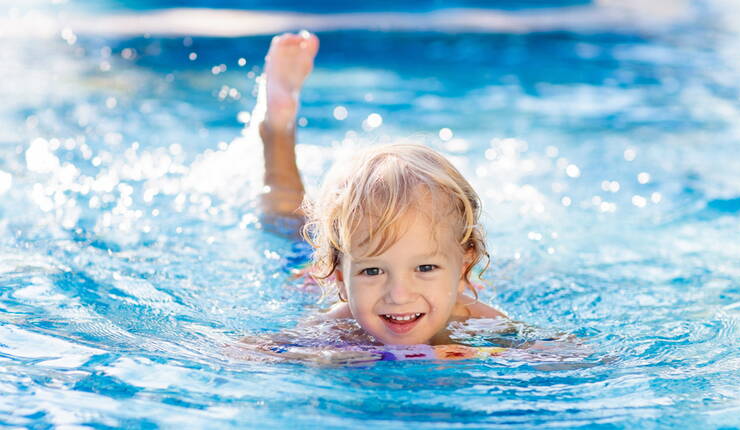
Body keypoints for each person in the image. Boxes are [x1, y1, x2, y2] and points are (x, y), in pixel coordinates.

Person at [236, 31, 590, 365]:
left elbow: (570, 356)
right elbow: (245, 354)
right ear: (342, 280)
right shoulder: (338, 325)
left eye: (425, 268)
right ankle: (276, 127)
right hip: (312, 272)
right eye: (372, 271)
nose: (399, 294)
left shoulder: (477, 321)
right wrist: (323, 358)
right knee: (286, 219)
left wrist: (489, 354)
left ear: (465, 265)